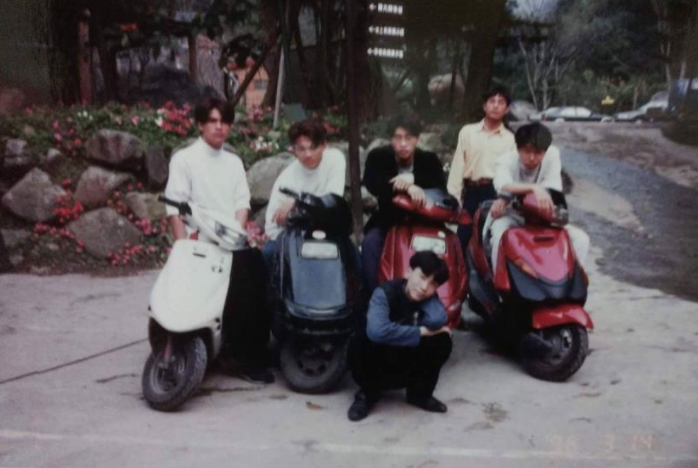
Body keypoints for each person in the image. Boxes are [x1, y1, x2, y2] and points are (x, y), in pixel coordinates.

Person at [163, 97, 274, 384]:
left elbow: (241, 202)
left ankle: (246, 354)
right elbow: (174, 206)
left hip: (229, 240)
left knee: (257, 269)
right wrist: (182, 247)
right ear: (200, 124)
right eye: (212, 121)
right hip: (198, 242)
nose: (219, 127)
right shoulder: (185, 159)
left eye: (224, 121)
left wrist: (236, 234)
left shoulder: (233, 162)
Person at [347, 251, 453, 422]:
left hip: (402, 358)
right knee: (365, 337)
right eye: (422, 277)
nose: (424, 287)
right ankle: (367, 394)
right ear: (408, 272)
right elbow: (378, 331)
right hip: (374, 358)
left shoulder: (427, 296)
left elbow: (437, 319)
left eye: (433, 284)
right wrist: (421, 331)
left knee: (442, 340)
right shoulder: (384, 293)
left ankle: (419, 394)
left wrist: (428, 298)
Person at [486, 122, 590, 273]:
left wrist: (539, 193)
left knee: (581, 239)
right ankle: (500, 280)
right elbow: (503, 184)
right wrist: (534, 188)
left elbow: (554, 188)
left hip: (542, 216)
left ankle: (568, 281)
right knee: (499, 236)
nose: (532, 157)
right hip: (512, 213)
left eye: (538, 152)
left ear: (545, 151)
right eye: (527, 151)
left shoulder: (552, 155)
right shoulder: (506, 159)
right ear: (518, 148)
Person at [362, 113, 446, 292]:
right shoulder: (378, 157)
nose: (403, 143)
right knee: (370, 243)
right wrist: (407, 188)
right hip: (389, 220)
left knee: (448, 245)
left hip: (424, 222)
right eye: (397, 138)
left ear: (417, 139)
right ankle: (375, 295)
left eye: (408, 138)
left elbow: (440, 187)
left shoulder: (429, 159)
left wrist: (413, 179)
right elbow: (372, 182)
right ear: (391, 139)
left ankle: (443, 295)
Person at [262, 119, 346, 264]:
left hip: (329, 232)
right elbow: (271, 226)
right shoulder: (286, 179)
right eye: (301, 149)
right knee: (268, 253)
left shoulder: (334, 159)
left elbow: (332, 203)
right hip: (294, 238)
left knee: (352, 258)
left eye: (313, 147)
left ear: (324, 145)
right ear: (293, 150)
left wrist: (297, 205)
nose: (308, 154)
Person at [446, 86, 516, 255]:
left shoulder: (510, 139)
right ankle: (459, 271)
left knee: (487, 241)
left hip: (495, 193)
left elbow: (512, 173)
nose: (496, 105)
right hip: (471, 191)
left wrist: (504, 199)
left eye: (501, 102)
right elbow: (458, 165)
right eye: (492, 101)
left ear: (507, 109)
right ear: (484, 106)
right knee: (461, 239)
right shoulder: (468, 132)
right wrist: (455, 196)